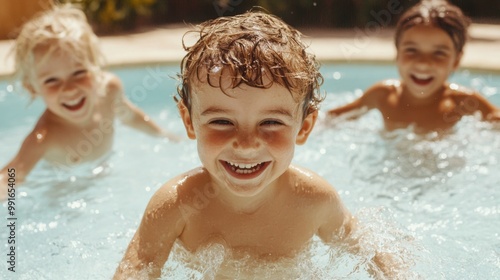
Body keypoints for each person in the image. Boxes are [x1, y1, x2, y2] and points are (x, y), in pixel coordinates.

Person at [114, 11, 406, 279]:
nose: (246, 144)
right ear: (189, 122)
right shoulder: (177, 205)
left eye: (271, 123)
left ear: (304, 127)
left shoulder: (314, 200)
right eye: (221, 122)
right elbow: (135, 271)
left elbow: (372, 256)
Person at [0, 5, 179, 200]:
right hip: (65, 190)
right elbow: (12, 175)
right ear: (33, 88)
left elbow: (130, 117)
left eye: (79, 73)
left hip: (105, 172)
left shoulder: (109, 91)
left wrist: (164, 136)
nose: (69, 88)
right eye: (51, 80)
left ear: (95, 67)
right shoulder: (44, 138)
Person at [326, 0, 500, 132]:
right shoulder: (383, 95)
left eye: (439, 53)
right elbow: (331, 118)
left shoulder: (463, 102)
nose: (423, 63)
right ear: (397, 53)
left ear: (456, 61)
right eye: (411, 50)